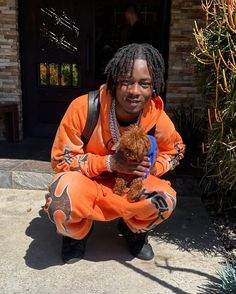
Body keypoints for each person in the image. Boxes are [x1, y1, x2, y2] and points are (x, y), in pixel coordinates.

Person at [44, 43, 185, 264]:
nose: (134, 91)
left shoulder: (156, 117)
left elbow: (176, 151)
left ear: (153, 87)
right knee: (59, 198)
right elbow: (61, 160)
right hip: (89, 183)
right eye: (126, 81)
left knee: (165, 199)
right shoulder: (84, 108)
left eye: (144, 84)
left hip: (131, 186)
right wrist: (109, 163)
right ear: (114, 82)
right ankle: (77, 235)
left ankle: (133, 229)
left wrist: (152, 168)